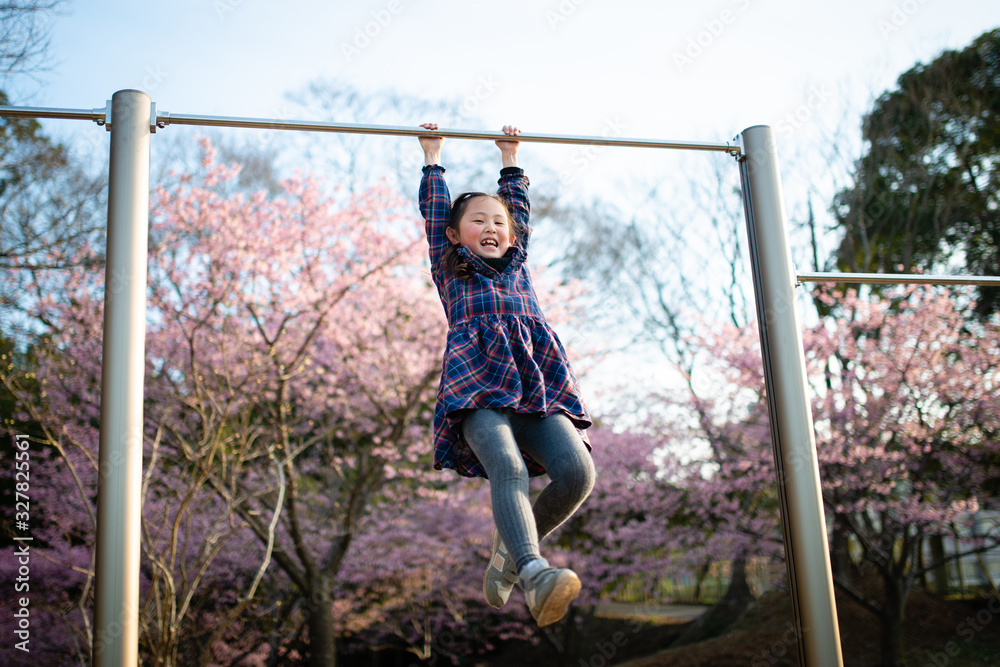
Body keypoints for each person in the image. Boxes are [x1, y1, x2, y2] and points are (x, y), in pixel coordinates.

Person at [417, 123, 596, 627]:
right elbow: (435, 214)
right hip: (476, 389)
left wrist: (510, 158)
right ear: (456, 235)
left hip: (535, 387)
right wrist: (433, 158)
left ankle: (512, 549)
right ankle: (535, 573)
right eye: (478, 221)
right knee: (508, 467)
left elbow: (516, 207)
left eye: (498, 221)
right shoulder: (451, 266)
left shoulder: (519, 265)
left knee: (578, 473)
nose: (492, 227)